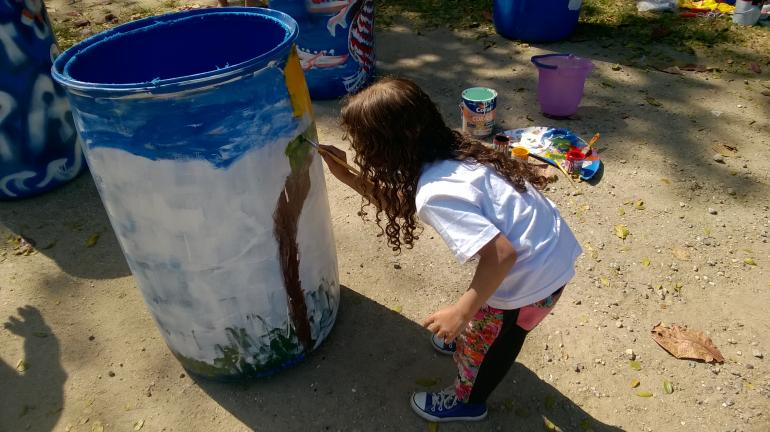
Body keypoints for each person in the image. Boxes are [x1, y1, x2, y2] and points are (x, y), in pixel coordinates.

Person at [318, 77, 582, 423]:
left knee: (492, 344)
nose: (360, 152)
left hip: (532, 279)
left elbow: (501, 255)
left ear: (387, 147)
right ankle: (479, 333)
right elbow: (404, 204)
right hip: (548, 248)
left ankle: (469, 402)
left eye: (363, 145)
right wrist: (349, 177)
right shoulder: (453, 148)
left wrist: (461, 313)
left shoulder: (436, 192)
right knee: (491, 325)